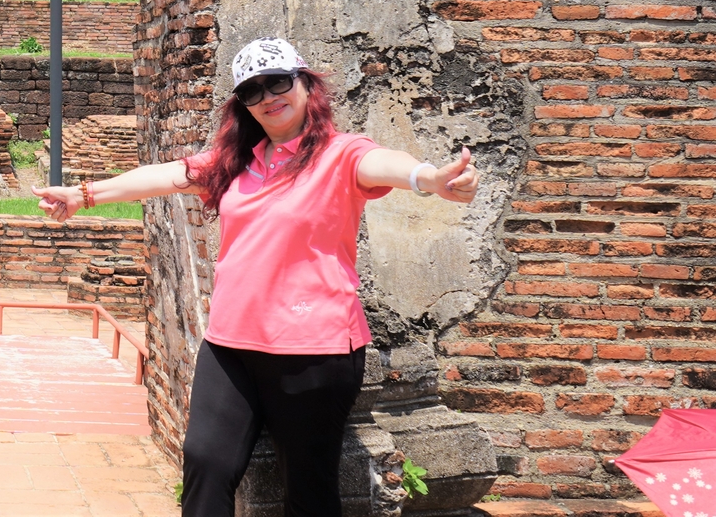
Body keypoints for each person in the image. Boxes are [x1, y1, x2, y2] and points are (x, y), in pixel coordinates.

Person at [34, 37, 480, 517]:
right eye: (252, 91)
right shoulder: (237, 161)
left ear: (306, 85)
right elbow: (164, 175)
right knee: (205, 461)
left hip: (314, 349)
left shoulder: (341, 153)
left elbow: (385, 164)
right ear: (242, 105)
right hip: (231, 343)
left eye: (278, 83)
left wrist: (429, 179)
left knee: (308, 489)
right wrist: (84, 194)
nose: (268, 97)